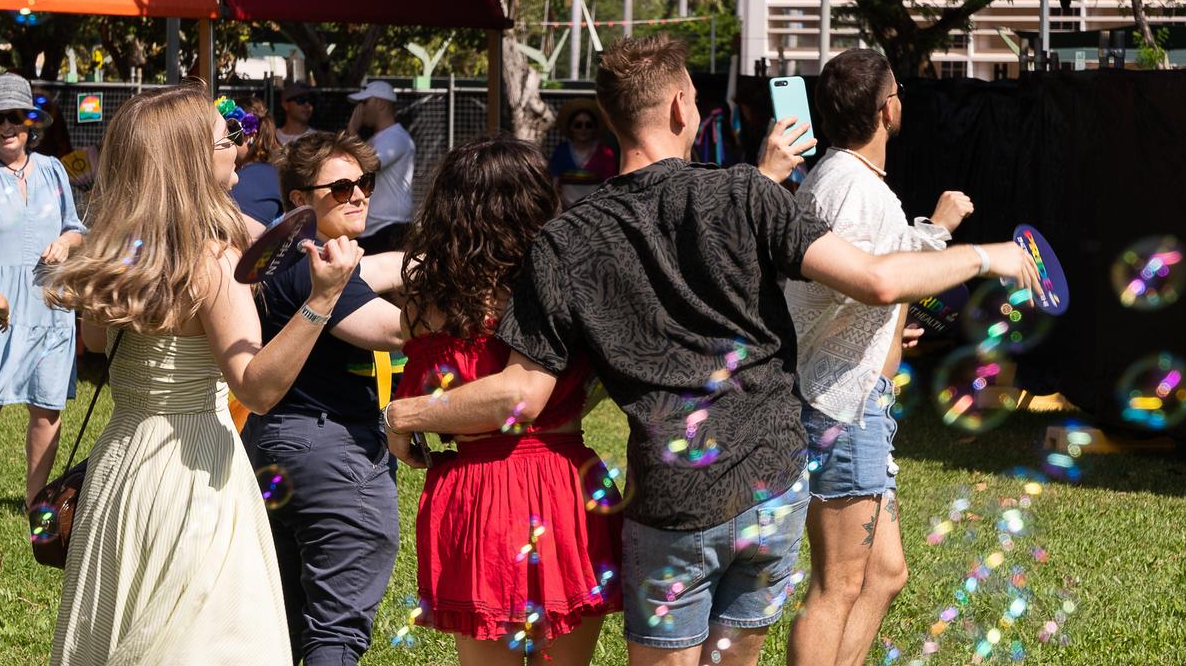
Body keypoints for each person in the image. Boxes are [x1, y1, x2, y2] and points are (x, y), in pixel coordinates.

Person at [382, 34, 1043, 666]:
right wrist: (990, 255)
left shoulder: (567, 241)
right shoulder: (747, 192)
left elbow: (523, 392)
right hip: (772, 486)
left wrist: (405, 415)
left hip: (672, 499)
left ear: (611, 118)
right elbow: (878, 280)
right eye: (695, 97)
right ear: (678, 104)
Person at [45, 83, 361, 665]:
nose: (240, 145)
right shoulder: (208, 258)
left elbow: (93, 339)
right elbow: (257, 388)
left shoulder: (122, 248)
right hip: (193, 477)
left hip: (125, 467)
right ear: (191, 158)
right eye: (227, 138)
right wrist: (323, 299)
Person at [389, 135, 621, 665]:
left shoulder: (426, 306)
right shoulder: (567, 289)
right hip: (564, 482)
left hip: (477, 494)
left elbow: (433, 404)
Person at [782, 49, 976, 666]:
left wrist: (892, 321)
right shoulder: (850, 187)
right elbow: (870, 280)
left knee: (885, 574)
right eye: (897, 91)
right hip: (840, 404)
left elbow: (870, 280)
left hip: (863, 399)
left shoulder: (853, 183)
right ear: (887, 106)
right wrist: (942, 233)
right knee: (837, 584)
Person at [241, 130, 407, 666]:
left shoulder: (288, 254)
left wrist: (439, 259)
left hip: (274, 450)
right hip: (332, 457)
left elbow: (384, 266)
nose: (358, 194)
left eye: (364, 183)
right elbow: (392, 330)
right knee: (335, 632)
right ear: (300, 201)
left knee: (290, 622)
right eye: (339, 187)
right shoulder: (313, 270)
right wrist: (471, 305)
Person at [0, 72, 86, 504]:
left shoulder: (52, 171)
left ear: (31, 122)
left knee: (47, 408)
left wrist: (66, 243)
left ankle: (34, 502)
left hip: (51, 305)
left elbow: (76, 230)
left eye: (16, 116)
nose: (7, 126)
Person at [347, 80, 415, 254]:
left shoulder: (396, 137)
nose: (360, 109)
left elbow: (371, 163)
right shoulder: (375, 139)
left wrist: (353, 131)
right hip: (374, 229)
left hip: (391, 228)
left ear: (381, 104)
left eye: (365, 102)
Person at [229, 96, 284, 239]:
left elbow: (235, 239)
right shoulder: (266, 170)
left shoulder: (256, 177)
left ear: (251, 134)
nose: (221, 139)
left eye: (229, 130)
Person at [549, 99, 618, 209]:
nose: (583, 129)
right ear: (571, 127)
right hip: (565, 211)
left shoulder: (605, 153)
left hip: (595, 211)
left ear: (595, 128)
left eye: (588, 125)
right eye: (578, 125)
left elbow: (610, 186)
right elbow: (554, 183)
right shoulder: (561, 151)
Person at [276, 81, 317, 146]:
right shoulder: (273, 139)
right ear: (285, 105)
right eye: (300, 100)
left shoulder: (318, 140)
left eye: (311, 100)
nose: (307, 104)